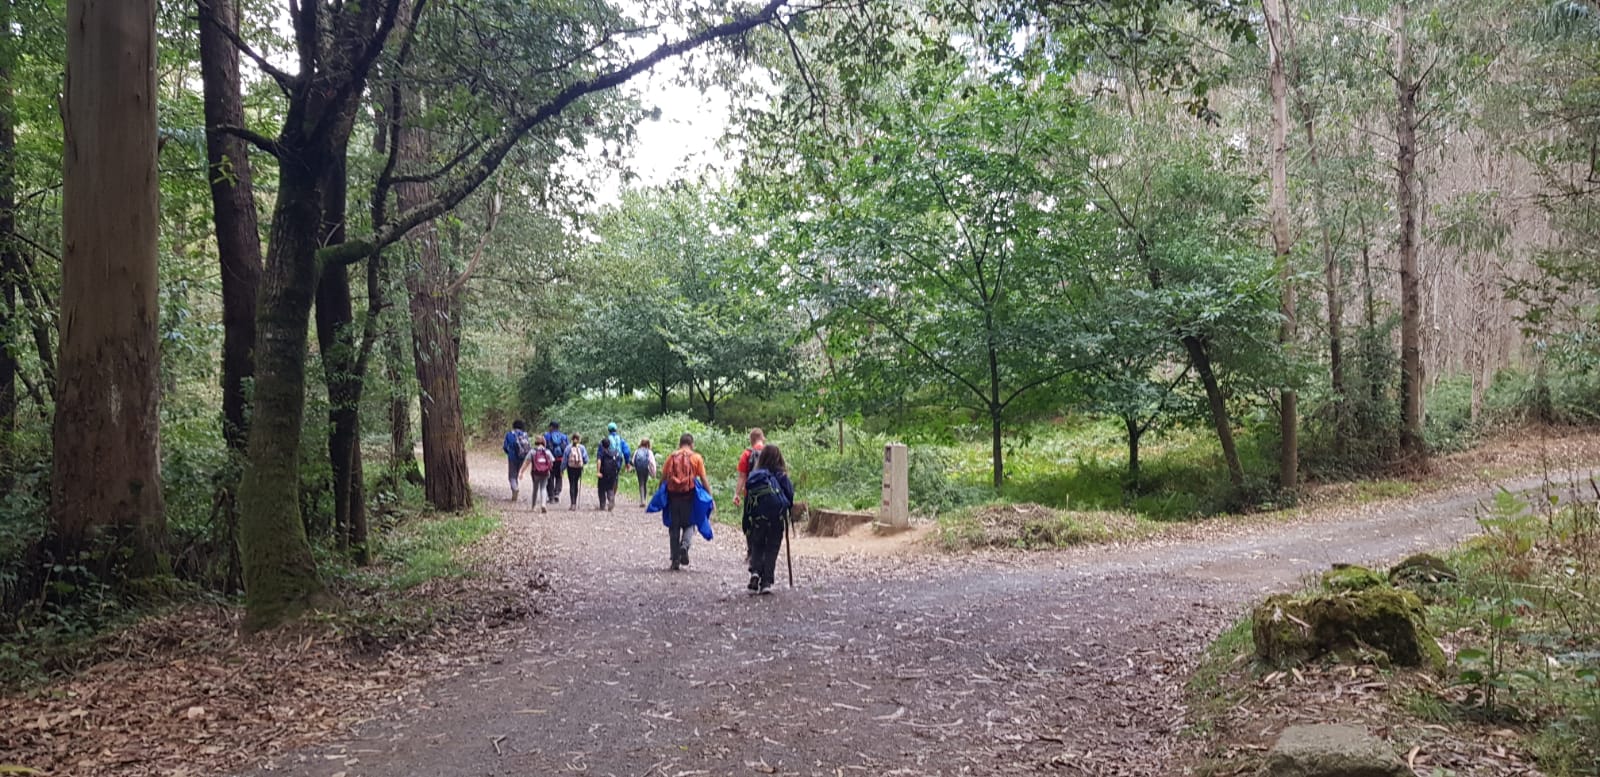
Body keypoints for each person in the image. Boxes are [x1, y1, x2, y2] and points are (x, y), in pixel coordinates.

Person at [743, 443, 795, 595]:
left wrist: (746, 520)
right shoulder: (781, 475)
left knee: (758, 546)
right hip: (776, 519)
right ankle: (766, 581)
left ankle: (755, 572)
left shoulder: (755, 476)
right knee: (772, 548)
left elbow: (748, 500)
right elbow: (790, 496)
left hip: (758, 518)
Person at [661, 432, 709, 570]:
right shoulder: (696, 458)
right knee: (689, 524)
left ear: (680, 443)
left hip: (673, 496)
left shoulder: (672, 456)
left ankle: (675, 560)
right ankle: (685, 545)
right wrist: (710, 497)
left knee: (674, 527)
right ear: (691, 444)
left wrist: (660, 494)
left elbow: (664, 477)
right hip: (689, 496)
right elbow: (704, 479)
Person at [734, 428, 766, 564]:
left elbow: (742, 477)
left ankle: (751, 552)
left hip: (751, 494)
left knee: (749, 523)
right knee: (765, 522)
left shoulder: (746, 454)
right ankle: (763, 552)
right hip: (767, 494)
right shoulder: (769, 452)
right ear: (762, 438)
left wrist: (736, 493)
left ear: (751, 440)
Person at [520, 437, 555, 512]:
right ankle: (543, 504)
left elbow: (526, 462)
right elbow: (552, 462)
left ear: (536, 442)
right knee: (543, 488)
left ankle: (533, 506)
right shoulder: (547, 451)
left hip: (535, 473)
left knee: (535, 489)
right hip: (545, 472)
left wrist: (521, 472)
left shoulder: (532, 451)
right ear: (543, 442)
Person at [502, 420, 532, 502]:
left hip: (512, 457)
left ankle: (515, 488)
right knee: (517, 474)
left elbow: (505, 446)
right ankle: (514, 493)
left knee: (512, 476)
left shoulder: (509, 434)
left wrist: (508, 453)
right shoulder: (525, 434)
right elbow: (528, 446)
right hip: (522, 457)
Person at [605, 422, 632, 507]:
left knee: (608, 478)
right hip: (618, 460)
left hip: (608, 460)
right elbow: (627, 452)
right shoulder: (620, 439)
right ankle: (613, 497)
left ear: (608, 430)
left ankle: (610, 497)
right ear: (616, 430)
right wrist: (627, 463)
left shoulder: (607, 439)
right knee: (616, 478)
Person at [544, 421, 571, 503]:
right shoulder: (564, 436)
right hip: (561, 459)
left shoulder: (547, 436)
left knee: (550, 477)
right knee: (559, 476)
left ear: (551, 427)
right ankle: (557, 493)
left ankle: (551, 496)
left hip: (550, 459)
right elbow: (567, 448)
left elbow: (543, 447)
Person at [595, 437, 623, 512]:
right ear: (609, 444)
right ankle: (611, 500)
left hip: (603, 473)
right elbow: (618, 462)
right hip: (612, 474)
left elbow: (599, 461)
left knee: (601, 489)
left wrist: (598, 471)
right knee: (610, 488)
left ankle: (602, 505)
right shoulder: (614, 452)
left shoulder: (601, 452)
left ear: (602, 444)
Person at [564, 433, 588, 510]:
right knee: (576, 484)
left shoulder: (568, 448)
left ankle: (573, 503)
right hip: (578, 468)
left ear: (572, 439)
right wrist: (582, 463)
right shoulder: (582, 447)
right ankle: (575, 502)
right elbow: (585, 459)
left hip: (570, 468)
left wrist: (562, 469)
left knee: (572, 484)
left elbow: (565, 459)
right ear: (579, 439)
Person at [632, 438, 657, 507]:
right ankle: (644, 500)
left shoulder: (637, 451)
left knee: (641, 483)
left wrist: (636, 466)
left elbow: (633, 461)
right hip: (646, 468)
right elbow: (652, 462)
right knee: (645, 483)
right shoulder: (649, 451)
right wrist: (654, 472)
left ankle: (642, 500)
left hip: (639, 469)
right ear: (648, 444)